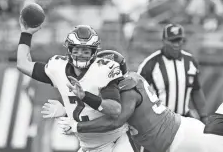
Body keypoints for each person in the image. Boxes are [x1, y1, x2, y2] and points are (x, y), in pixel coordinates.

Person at [44, 50, 208, 152]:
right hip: (173, 137)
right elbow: (96, 110)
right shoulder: (125, 83)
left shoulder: (128, 89)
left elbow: (115, 121)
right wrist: (66, 110)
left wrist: (76, 126)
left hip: (180, 138)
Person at [17, 16, 135, 152]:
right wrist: (26, 34)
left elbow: (115, 109)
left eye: (86, 50)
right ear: (69, 49)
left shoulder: (102, 70)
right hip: (87, 146)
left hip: (115, 142)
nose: (80, 54)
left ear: (94, 52)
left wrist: (86, 97)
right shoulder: (58, 68)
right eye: (77, 50)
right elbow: (22, 64)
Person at [137, 23, 208, 122]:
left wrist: (204, 116)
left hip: (183, 118)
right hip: (159, 121)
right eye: (172, 41)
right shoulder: (150, 64)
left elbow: (196, 90)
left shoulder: (190, 61)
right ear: (164, 41)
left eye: (179, 40)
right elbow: (139, 95)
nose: (176, 44)